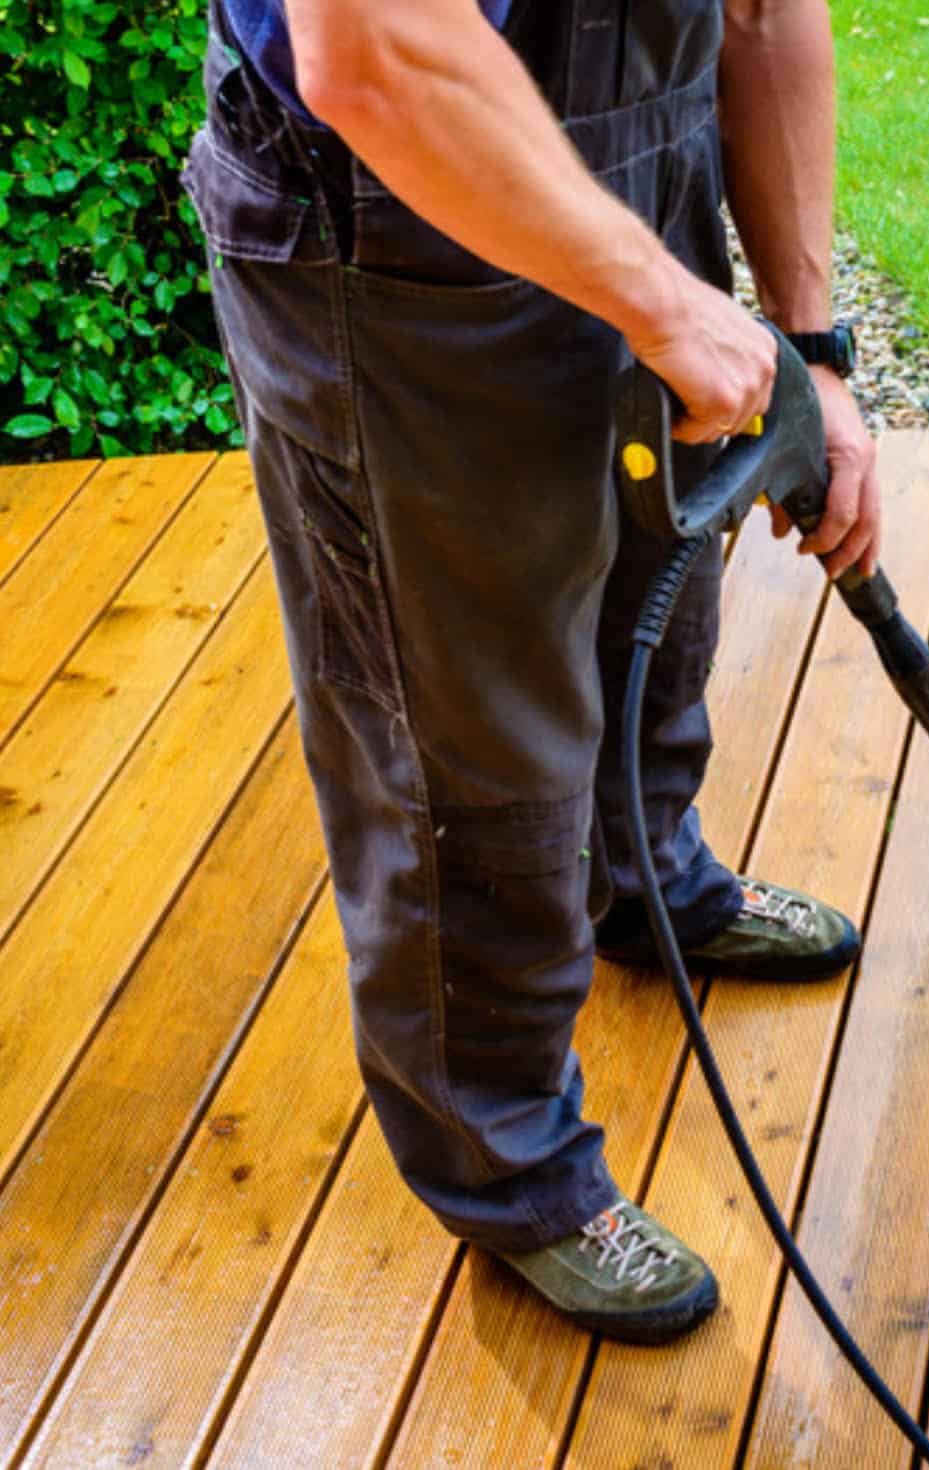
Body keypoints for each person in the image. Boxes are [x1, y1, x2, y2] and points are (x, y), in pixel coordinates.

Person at [182, 0, 878, 1344]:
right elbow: (376, 56)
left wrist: (815, 351)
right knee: (464, 713)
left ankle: (646, 878)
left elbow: (761, 9)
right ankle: (505, 1161)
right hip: (391, 213)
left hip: (640, 160)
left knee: (653, 577)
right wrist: (668, 303)